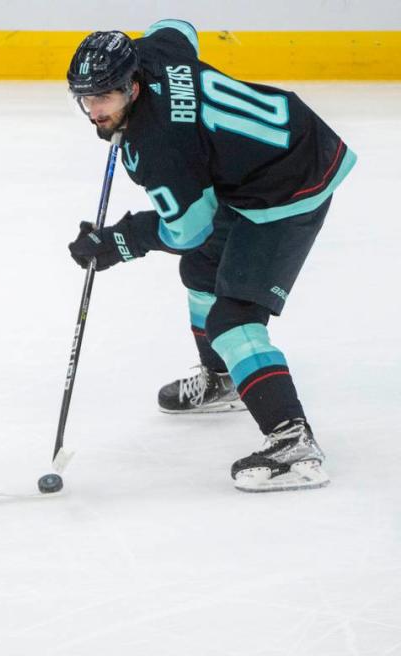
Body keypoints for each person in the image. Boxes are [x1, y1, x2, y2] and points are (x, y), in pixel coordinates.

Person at [65, 20, 355, 493]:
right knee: (201, 268)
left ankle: (293, 440)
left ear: (132, 86)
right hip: (268, 152)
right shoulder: (153, 52)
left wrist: (119, 240)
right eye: (85, 98)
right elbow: (177, 29)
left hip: (291, 184)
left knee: (233, 319)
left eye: (105, 98)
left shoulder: (160, 148)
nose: (94, 110)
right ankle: (221, 380)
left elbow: (187, 229)